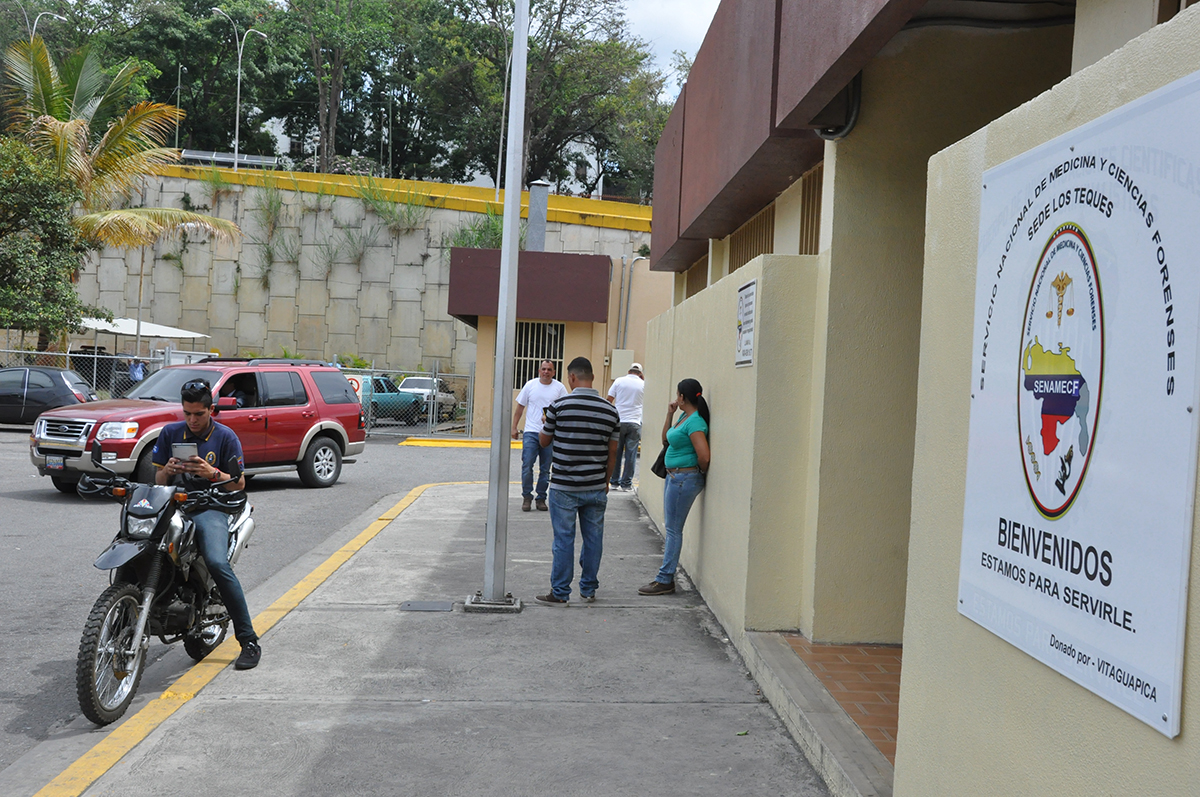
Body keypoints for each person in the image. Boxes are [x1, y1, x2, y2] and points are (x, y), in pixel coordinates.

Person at [152, 379, 261, 670]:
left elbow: (238, 483)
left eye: (198, 414)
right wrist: (168, 470)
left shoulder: (225, 437)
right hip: (174, 505)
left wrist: (212, 473)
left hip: (210, 507)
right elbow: (158, 481)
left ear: (211, 410)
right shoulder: (170, 433)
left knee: (216, 562)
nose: (192, 420)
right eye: (187, 413)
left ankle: (249, 640)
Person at [535, 357, 620, 605]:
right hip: (595, 485)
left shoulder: (558, 406)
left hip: (563, 486)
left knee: (563, 540)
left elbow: (544, 442)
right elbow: (613, 452)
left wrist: (545, 424)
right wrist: (605, 481)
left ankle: (560, 593)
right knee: (594, 539)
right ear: (592, 377)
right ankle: (589, 588)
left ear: (572, 378)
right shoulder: (610, 411)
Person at [638, 378, 710, 596]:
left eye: (677, 394)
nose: (675, 397)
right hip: (674, 477)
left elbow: (704, 456)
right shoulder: (683, 417)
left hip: (684, 479)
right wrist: (669, 414)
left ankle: (665, 579)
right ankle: (664, 577)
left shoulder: (695, 422)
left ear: (682, 397)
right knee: (671, 528)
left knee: (673, 530)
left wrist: (692, 471)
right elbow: (665, 440)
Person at [511, 360, 568, 512]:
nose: (546, 372)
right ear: (539, 371)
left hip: (550, 433)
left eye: (549, 369)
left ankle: (541, 498)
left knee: (545, 468)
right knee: (527, 465)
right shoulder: (530, 385)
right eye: (543, 369)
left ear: (554, 372)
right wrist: (514, 427)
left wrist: (551, 418)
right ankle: (527, 496)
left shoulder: (560, 388)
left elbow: (564, 409)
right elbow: (520, 408)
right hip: (531, 432)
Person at [606, 362, 645, 491]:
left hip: (619, 421)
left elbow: (609, 400)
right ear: (640, 374)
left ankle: (614, 481)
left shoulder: (619, 381)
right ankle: (626, 484)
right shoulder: (643, 384)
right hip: (635, 422)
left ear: (629, 371)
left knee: (615, 452)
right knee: (631, 454)